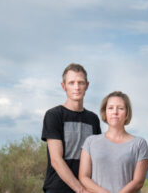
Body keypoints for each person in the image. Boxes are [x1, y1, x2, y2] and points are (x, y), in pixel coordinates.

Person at [41, 63, 102, 193]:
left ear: (87, 85)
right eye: (71, 83)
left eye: (81, 82)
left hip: (88, 188)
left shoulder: (93, 119)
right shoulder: (54, 115)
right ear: (63, 86)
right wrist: (81, 190)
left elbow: (96, 159)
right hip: (58, 189)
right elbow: (56, 160)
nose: (77, 87)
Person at [79, 91, 148, 193]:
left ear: (127, 113)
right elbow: (83, 177)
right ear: (105, 112)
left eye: (120, 108)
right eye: (110, 108)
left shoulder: (139, 144)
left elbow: (138, 182)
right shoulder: (90, 142)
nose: (115, 112)